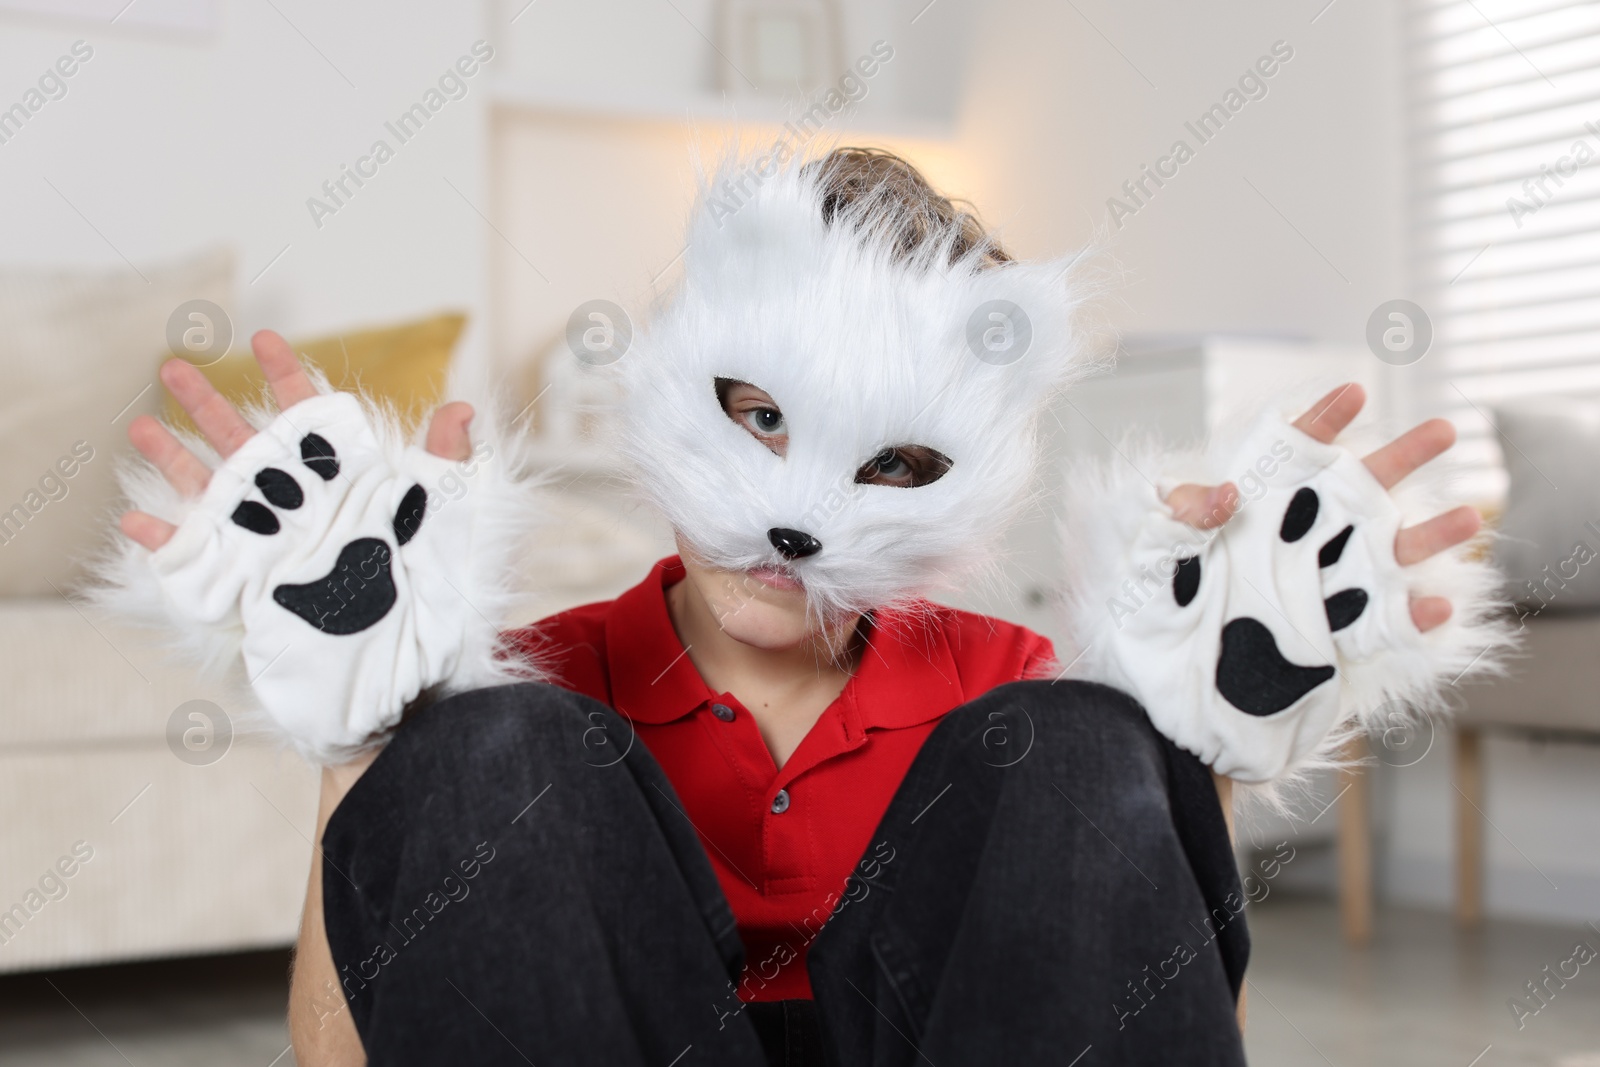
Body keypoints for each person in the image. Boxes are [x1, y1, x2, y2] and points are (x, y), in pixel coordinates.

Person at [106, 149, 1499, 1066]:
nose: (796, 514)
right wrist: (357, 737)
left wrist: (1203, 757)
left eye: (891, 462)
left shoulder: (1011, 695)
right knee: (486, 744)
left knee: (1082, 736)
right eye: (756, 415)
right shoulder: (552, 679)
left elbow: (1152, 1019)